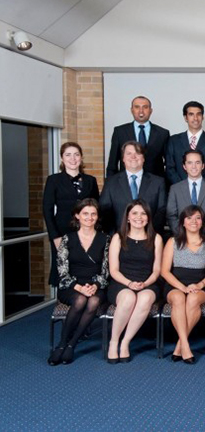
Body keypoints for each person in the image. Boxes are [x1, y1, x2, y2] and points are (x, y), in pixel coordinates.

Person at [48, 198, 109, 366]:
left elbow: (106, 270)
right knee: (81, 299)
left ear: (97, 217)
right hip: (71, 285)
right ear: (77, 216)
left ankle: (71, 344)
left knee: (94, 300)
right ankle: (61, 344)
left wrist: (95, 285)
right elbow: (61, 270)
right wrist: (78, 287)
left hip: (96, 284)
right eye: (85, 214)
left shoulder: (105, 239)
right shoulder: (67, 239)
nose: (89, 217)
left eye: (93, 214)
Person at [106, 200, 163, 363]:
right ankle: (114, 341)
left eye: (143, 213)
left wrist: (145, 284)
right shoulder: (118, 237)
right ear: (128, 218)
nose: (139, 217)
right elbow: (113, 270)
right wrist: (129, 283)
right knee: (129, 298)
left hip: (148, 282)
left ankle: (125, 342)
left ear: (148, 218)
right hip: (121, 282)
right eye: (135, 213)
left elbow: (156, 270)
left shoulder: (156, 238)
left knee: (144, 298)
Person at [161, 206, 205, 364]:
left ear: (202, 222)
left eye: (198, 218)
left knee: (193, 300)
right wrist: (183, 287)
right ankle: (185, 345)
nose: (194, 221)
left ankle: (180, 344)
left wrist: (200, 284)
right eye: (189, 218)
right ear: (183, 222)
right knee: (179, 299)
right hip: (175, 283)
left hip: (200, 283)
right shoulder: (173, 241)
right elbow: (164, 271)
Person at [43, 142, 99, 287]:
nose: (72, 158)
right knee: (64, 268)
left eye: (76, 154)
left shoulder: (90, 180)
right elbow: (47, 210)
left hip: (86, 230)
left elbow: (96, 208)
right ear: (62, 158)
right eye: (68, 155)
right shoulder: (53, 180)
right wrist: (55, 237)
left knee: (85, 265)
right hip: (62, 231)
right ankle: (65, 304)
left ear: (81, 157)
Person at [100, 141, 167, 235]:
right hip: (119, 238)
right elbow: (104, 211)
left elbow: (162, 211)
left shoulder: (158, 182)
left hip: (149, 238)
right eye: (129, 153)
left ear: (143, 158)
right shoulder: (111, 182)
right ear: (123, 158)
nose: (133, 157)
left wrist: (150, 233)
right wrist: (114, 235)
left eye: (137, 153)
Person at [106, 96, 170, 178]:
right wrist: (111, 185)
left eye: (145, 107)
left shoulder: (162, 133)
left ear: (151, 110)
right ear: (131, 110)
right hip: (126, 183)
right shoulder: (119, 132)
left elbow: (169, 163)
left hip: (154, 184)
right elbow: (112, 164)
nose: (141, 111)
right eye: (137, 107)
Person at [166, 150, 205, 238]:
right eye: (189, 163)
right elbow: (171, 216)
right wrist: (183, 235)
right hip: (182, 239)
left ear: (203, 165)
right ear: (184, 166)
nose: (194, 166)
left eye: (197, 162)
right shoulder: (175, 189)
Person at [165, 101, 205, 186]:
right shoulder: (173, 140)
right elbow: (170, 168)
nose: (195, 118)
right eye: (191, 114)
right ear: (185, 117)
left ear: (203, 117)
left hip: (204, 191)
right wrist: (183, 187)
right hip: (179, 191)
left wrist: (200, 187)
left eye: (198, 114)